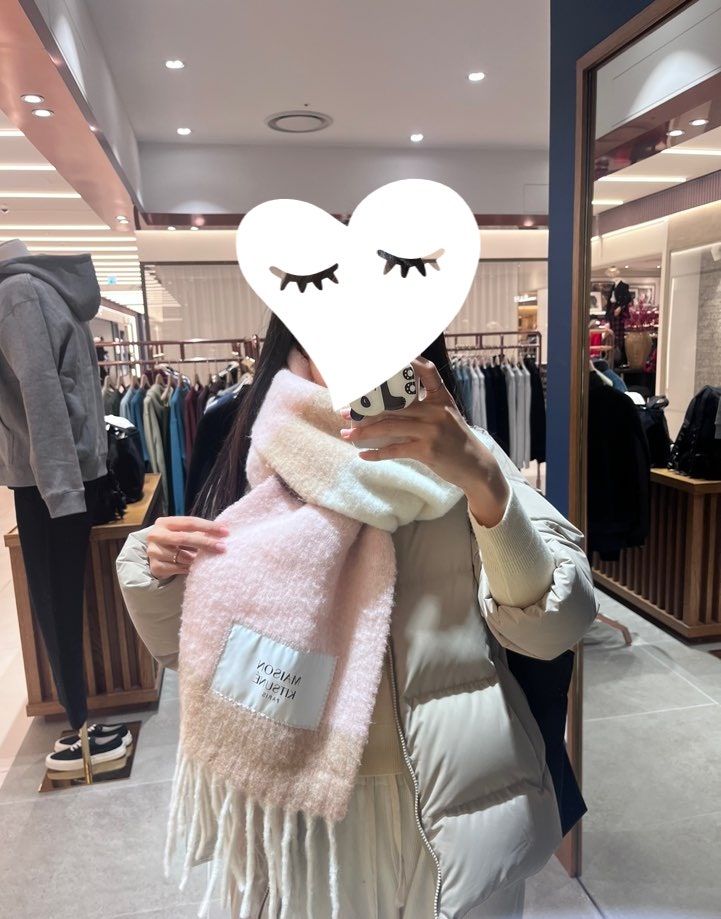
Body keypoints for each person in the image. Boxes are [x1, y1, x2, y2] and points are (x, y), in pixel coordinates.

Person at [117, 314, 596, 919]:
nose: (363, 358)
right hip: (303, 812)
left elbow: (555, 625)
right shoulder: (261, 455)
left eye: (385, 332)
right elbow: (192, 655)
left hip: (458, 808)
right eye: (335, 333)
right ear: (297, 344)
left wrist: (483, 484)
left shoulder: (470, 457)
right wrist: (156, 568)